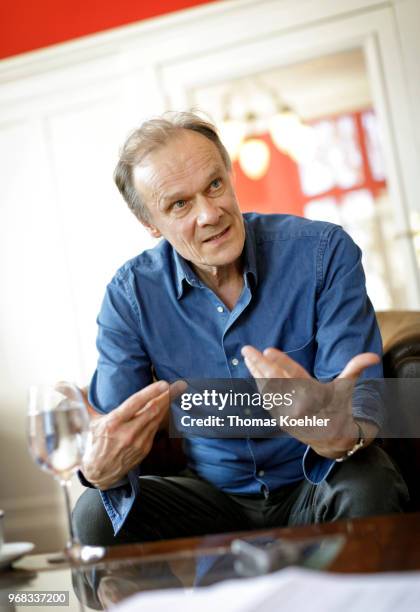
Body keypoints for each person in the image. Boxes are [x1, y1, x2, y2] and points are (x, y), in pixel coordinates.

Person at [74, 112, 408, 546]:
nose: (211, 213)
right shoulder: (130, 296)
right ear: (151, 225)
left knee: (369, 479)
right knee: (95, 510)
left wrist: (340, 429)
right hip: (212, 501)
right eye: (180, 204)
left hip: (315, 481)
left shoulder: (324, 253)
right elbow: (112, 429)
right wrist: (95, 469)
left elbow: (363, 408)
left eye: (214, 185)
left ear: (230, 177)